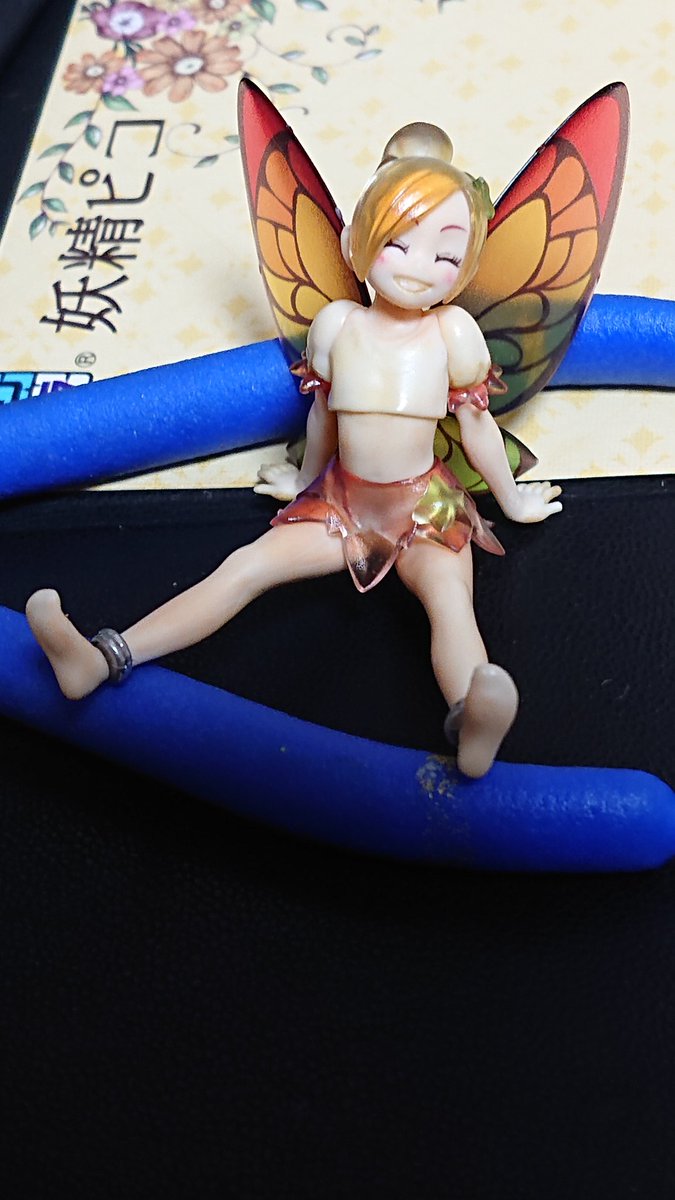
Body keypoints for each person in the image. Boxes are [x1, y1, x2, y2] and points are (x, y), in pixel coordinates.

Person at [25, 121, 561, 778]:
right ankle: (102, 658)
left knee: (448, 600)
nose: (419, 269)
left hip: (426, 506)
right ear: (357, 241)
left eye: (445, 257)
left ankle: (471, 718)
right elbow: (323, 415)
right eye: (398, 244)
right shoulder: (337, 325)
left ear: (466, 266)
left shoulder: (452, 332)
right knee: (244, 567)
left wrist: (511, 498)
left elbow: (476, 428)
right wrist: (303, 479)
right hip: (341, 502)